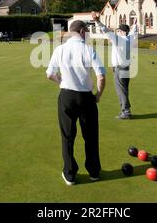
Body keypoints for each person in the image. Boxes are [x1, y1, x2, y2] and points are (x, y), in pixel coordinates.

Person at [46, 20, 106, 186]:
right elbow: (101, 76)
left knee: (67, 137)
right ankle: (94, 172)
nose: (87, 33)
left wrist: (61, 83)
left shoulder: (60, 49)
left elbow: (50, 74)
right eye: (86, 30)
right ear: (80, 31)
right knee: (91, 137)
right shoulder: (89, 49)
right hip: (86, 98)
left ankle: (70, 174)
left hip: (66, 97)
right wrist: (98, 96)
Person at [92, 12, 138, 119]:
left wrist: (97, 21)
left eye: (119, 30)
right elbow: (134, 31)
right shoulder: (131, 38)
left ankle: (126, 112)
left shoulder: (118, 39)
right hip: (127, 68)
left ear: (122, 32)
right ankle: (127, 110)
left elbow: (105, 31)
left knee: (121, 91)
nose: (117, 32)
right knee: (124, 90)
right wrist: (135, 24)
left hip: (120, 69)